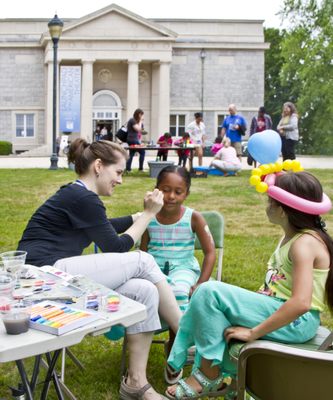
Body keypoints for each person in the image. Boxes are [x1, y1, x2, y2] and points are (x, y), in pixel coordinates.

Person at [18, 138, 182, 400]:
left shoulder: (78, 195)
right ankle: (185, 337)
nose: (120, 180)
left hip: (54, 275)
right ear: (98, 166)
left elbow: (103, 226)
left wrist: (136, 217)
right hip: (43, 276)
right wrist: (149, 215)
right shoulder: (82, 197)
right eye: (118, 172)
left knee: (144, 290)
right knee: (143, 261)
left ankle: (135, 384)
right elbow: (116, 247)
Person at [166, 170, 333, 400]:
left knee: (208, 291)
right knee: (214, 300)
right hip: (285, 313)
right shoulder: (292, 238)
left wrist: (254, 332)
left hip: (297, 322)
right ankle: (237, 380)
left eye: (270, 201)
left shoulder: (304, 244)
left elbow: (302, 303)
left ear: (282, 210)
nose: (267, 206)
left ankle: (208, 374)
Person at [140, 165, 216, 384]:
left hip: (183, 267)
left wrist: (201, 282)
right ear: (156, 190)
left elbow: (210, 253)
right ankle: (181, 343)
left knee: (180, 292)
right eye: (165, 189)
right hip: (153, 267)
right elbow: (143, 251)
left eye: (178, 191)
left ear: (186, 193)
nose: (171, 196)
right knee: (144, 293)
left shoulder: (194, 218)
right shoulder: (149, 216)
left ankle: (175, 352)